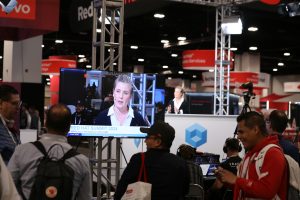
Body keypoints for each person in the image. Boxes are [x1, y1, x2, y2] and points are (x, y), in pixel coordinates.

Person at [8, 104, 92, 200]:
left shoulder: (22, 151)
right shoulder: (82, 161)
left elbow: (7, 189)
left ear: (45, 123)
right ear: (69, 127)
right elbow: (85, 197)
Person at [216, 111, 288, 200]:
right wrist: (226, 179)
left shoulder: (273, 153)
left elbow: (267, 191)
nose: (238, 137)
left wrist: (236, 180)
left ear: (255, 130)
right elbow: (246, 189)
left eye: (241, 132)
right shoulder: (250, 154)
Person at [114, 121, 190, 200]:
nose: (145, 141)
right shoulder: (181, 163)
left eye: (148, 137)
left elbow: (121, 191)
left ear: (158, 142)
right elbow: (184, 191)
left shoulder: (139, 159)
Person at [0, 84, 21, 164]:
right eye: (14, 103)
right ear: (1, 103)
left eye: (18, 104)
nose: (18, 107)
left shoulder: (11, 130)